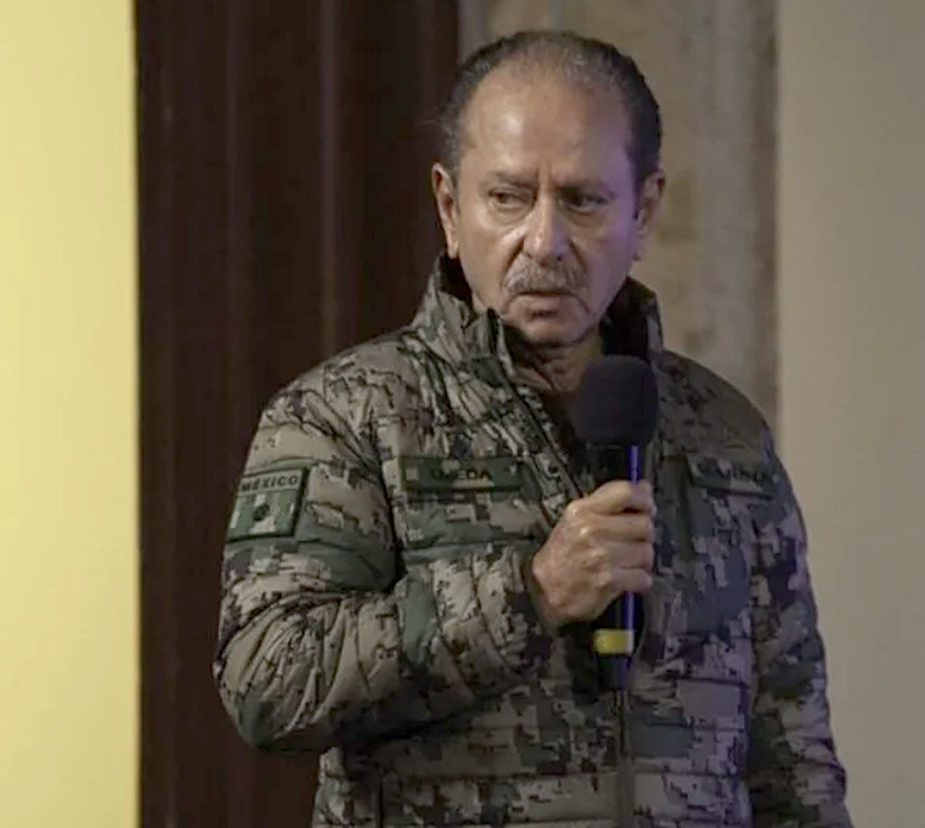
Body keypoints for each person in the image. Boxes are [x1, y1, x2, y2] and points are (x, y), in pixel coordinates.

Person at [214, 29, 853, 828]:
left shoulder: (724, 436)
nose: (544, 243)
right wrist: (531, 593)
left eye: (583, 200)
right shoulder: (346, 417)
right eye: (508, 198)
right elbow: (267, 683)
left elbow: (793, 756)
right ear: (450, 208)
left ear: (645, 209)